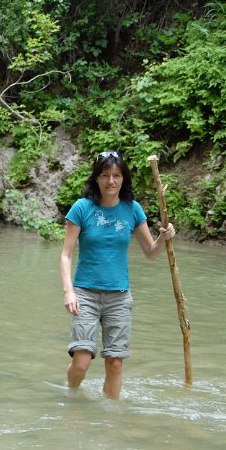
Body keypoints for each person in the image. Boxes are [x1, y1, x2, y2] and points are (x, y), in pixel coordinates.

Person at [59, 150, 175, 400]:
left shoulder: (132, 209)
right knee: (81, 361)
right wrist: (69, 291)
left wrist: (163, 239)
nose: (111, 181)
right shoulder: (82, 208)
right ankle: (71, 395)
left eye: (116, 175)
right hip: (85, 294)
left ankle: (110, 416)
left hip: (119, 297)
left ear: (124, 179)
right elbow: (66, 255)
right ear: (96, 179)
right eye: (105, 175)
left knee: (115, 362)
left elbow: (150, 252)